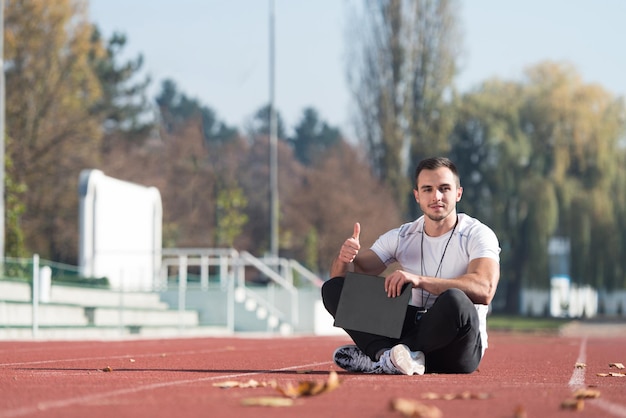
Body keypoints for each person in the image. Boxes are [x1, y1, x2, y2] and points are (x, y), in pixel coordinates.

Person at [321, 156, 500, 375]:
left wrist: (420, 281)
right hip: (410, 330)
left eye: (444, 188)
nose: (436, 196)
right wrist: (344, 259)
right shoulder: (403, 236)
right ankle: (386, 356)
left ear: (458, 193)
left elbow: (485, 289)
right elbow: (344, 280)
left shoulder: (477, 234)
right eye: (427, 189)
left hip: (456, 346)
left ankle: (387, 356)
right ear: (417, 195)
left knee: (455, 300)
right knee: (333, 288)